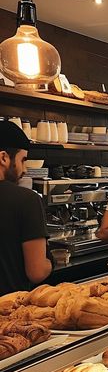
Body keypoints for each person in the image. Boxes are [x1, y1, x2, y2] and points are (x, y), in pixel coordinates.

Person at [0, 121, 52, 296]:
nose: (25, 169)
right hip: (9, 312)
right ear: (4, 158)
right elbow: (36, 272)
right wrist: (52, 260)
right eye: (23, 160)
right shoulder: (26, 200)